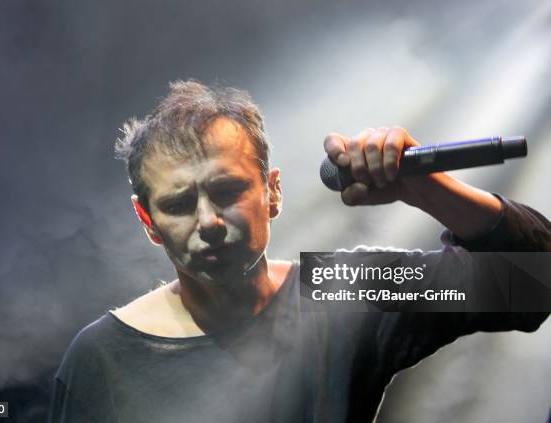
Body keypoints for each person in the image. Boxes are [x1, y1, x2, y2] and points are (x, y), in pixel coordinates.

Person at [48, 80, 550, 422]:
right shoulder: (102, 359)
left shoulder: (345, 292)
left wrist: (426, 189)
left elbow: (533, 282)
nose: (209, 222)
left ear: (273, 191)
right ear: (148, 221)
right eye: (179, 203)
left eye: (226, 191)